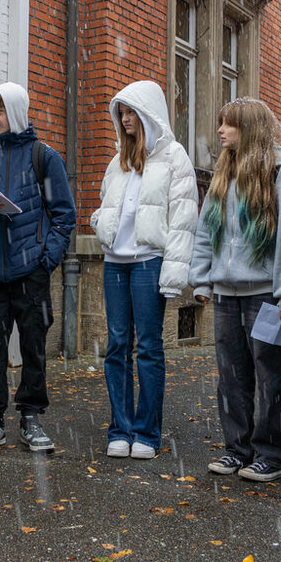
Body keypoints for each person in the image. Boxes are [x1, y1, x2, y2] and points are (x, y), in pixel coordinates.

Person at [189, 98, 281, 481]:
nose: (221, 130)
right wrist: (203, 279)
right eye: (220, 123)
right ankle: (236, 449)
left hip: (268, 294)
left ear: (250, 127)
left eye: (229, 124)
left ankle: (271, 455)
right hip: (226, 294)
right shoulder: (224, 171)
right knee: (231, 375)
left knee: (272, 374)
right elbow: (206, 231)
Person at [0, 82, 76, 454]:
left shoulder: (45, 157)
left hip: (32, 272)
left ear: (15, 111)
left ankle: (31, 417)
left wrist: (47, 260)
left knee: (34, 346)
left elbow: (64, 216)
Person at [89, 80, 198, 460]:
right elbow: (105, 206)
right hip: (115, 265)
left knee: (149, 348)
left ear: (149, 113)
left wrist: (174, 277)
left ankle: (147, 433)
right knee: (117, 346)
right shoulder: (117, 161)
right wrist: (101, 224)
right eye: (121, 112)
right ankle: (120, 429)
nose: (125, 117)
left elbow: (184, 220)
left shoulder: (174, 158)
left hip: (150, 263)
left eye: (132, 111)